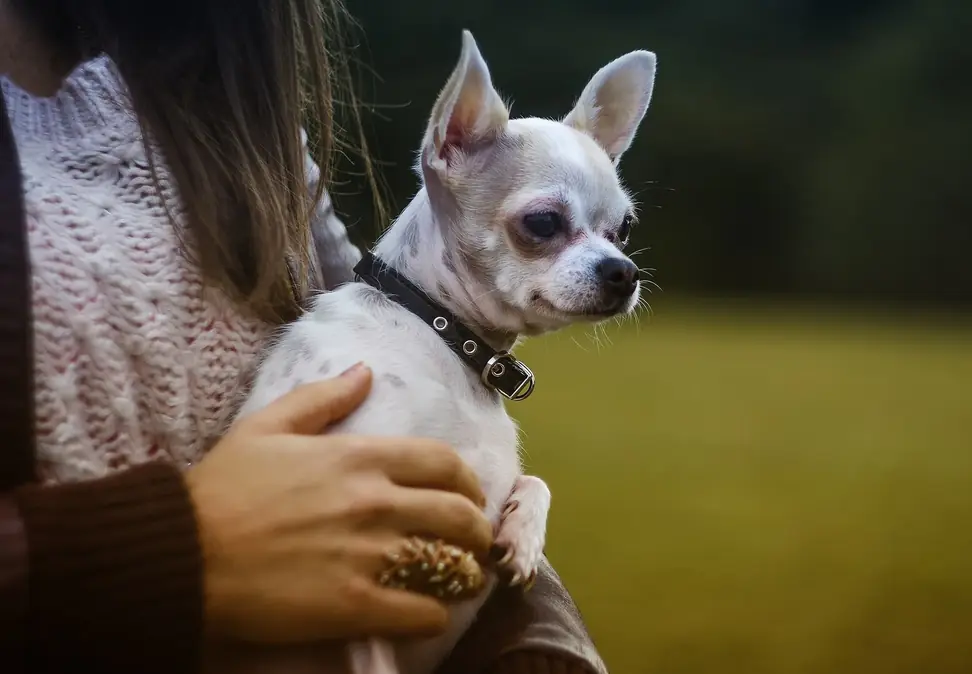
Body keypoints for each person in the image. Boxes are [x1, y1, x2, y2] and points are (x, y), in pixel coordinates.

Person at [0, 1, 606, 673]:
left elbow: (426, 369)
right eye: (545, 225)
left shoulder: (230, 102)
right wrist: (170, 551)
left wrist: (543, 650)